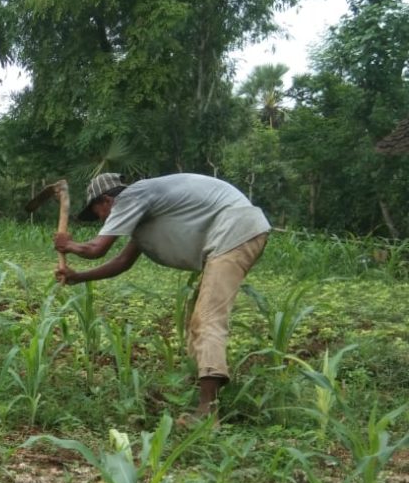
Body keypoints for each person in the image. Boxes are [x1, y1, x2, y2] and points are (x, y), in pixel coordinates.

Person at [54, 172, 271, 418]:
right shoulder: (145, 211)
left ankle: (207, 412)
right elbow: (122, 262)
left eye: (98, 213)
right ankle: (202, 389)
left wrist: (69, 245)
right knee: (196, 320)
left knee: (207, 319)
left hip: (235, 231)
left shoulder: (131, 196)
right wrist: (78, 277)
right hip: (237, 232)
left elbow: (97, 249)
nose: (102, 219)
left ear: (106, 201)